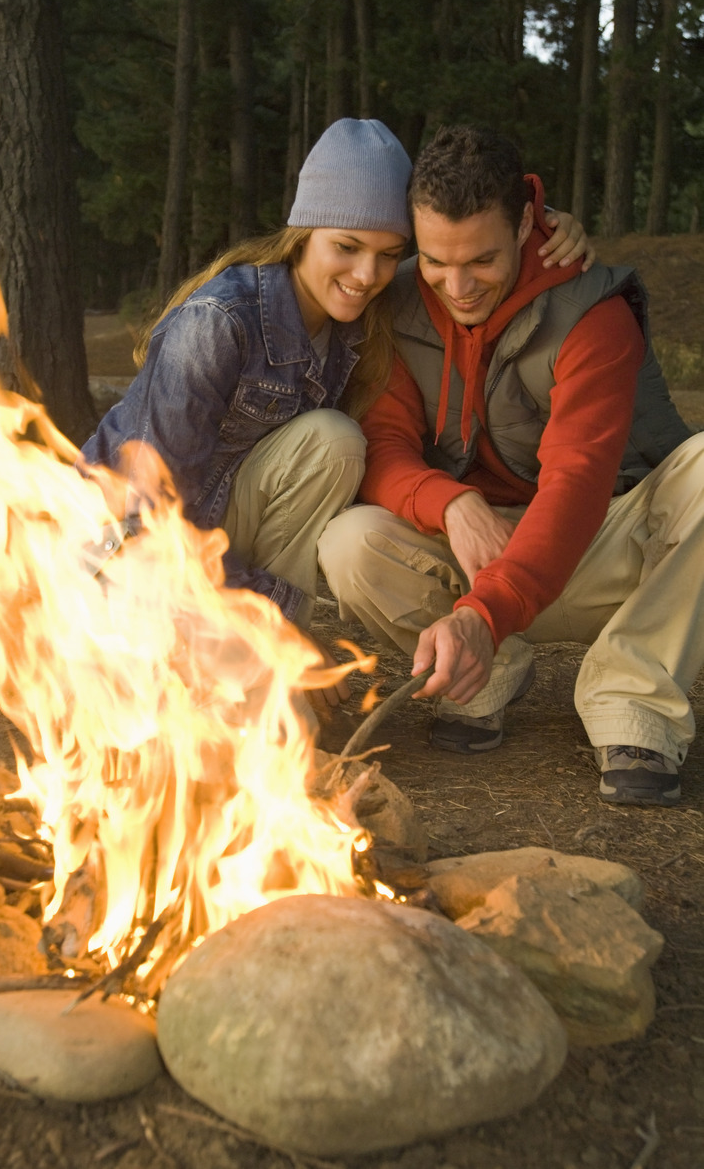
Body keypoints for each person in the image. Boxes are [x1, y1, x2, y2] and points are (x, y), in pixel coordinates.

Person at [80, 119, 590, 705]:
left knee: (335, 440)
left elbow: (471, 225)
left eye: (388, 255)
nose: (366, 275)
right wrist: (277, 634)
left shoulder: (364, 328)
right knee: (331, 439)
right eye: (346, 248)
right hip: (121, 557)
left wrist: (551, 227)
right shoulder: (218, 325)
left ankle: (254, 674)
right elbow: (149, 527)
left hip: (213, 549)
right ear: (304, 231)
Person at [318, 124, 700, 807]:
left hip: (602, 549)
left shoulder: (592, 311)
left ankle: (631, 702)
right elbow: (383, 444)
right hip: (476, 546)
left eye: (482, 261)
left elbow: (576, 485)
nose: (457, 286)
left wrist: (486, 613)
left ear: (528, 223)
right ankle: (484, 677)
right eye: (435, 260)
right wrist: (450, 503)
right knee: (348, 541)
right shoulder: (401, 300)